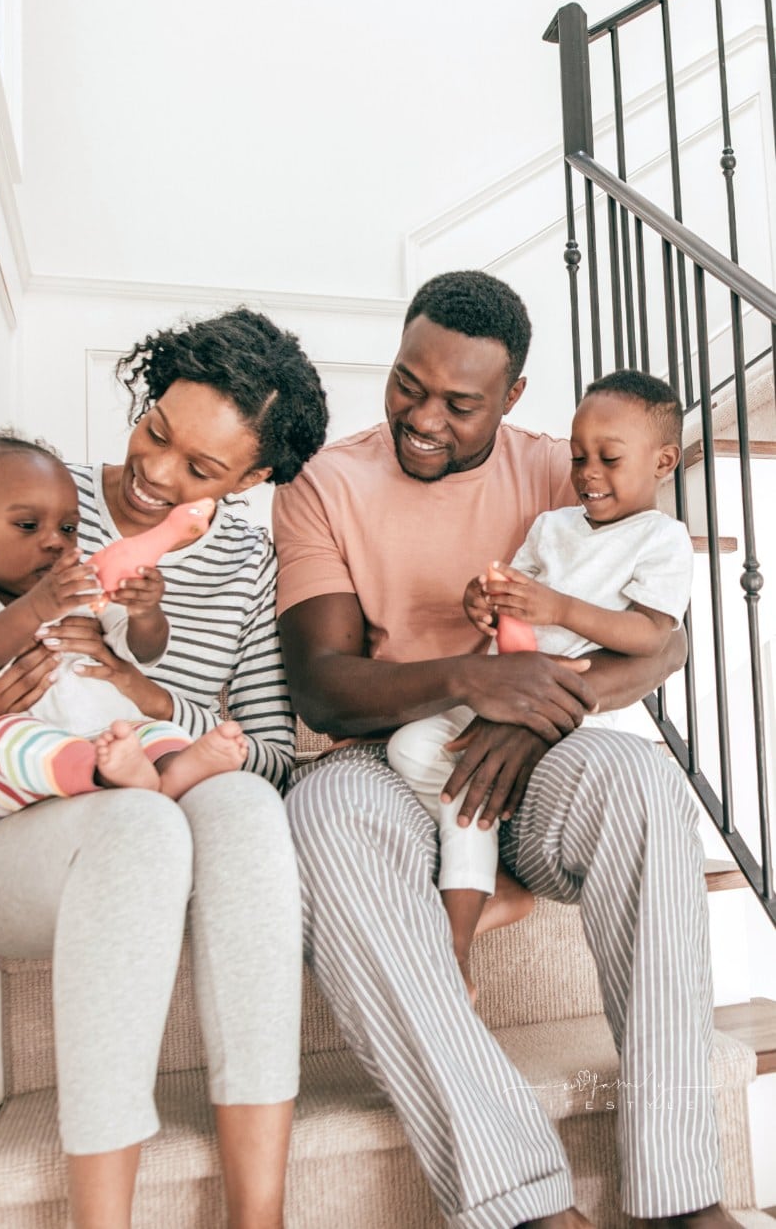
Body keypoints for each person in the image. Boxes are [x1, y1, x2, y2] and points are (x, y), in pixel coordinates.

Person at [272, 270, 738, 1229]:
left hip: (533, 752)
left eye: (459, 402)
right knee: (320, 817)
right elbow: (322, 684)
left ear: (513, 397)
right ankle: (515, 1195)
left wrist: (532, 716)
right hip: (386, 753)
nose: (423, 418)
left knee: (645, 781)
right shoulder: (326, 483)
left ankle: (680, 1190)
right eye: (408, 384)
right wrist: (470, 681)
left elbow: (667, 642)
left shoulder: (562, 472)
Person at [0, 308, 329, 1229]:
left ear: (255, 480)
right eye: (155, 430)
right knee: (140, 823)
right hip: (5, 841)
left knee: (248, 808)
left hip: (154, 781)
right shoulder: (35, 505)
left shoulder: (252, 567)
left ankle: (262, 1217)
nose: (156, 472)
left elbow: (269, 751)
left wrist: (152, 701)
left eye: (200, 468)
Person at [386, 369, 694, 1004]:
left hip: (580, 722)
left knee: (471, 782)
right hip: (504, 691)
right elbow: (515, 602)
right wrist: (486, 601)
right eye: (579, 456)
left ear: (663, 462)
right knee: (412, 747)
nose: (587, 473)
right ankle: (484, 883)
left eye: (609, 459)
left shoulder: (661, 540)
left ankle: (459, 931)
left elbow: (652, 634)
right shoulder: (552, 527)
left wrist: (559, 609)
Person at [0, 433, 251, 827]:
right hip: (28, 765)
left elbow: (141, 653)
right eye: (28, 525)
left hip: (108, 733)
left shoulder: (86, 592)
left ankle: (172, 771)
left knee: (157, 733)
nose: (54, 542)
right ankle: (100, 773)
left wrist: (145, 613)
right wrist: (37, 608)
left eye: (68, 528)